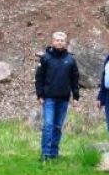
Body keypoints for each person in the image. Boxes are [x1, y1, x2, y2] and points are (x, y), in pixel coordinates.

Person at [34, 31, 80, 161]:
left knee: (58, 127)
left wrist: (76, 96)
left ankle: (54, 153)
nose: (59, 42)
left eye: (62, 40)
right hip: (49, 98)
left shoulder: (70, 60)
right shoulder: (46, 58)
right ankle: (45, 154)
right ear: (53, 42)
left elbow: (75, 79)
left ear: (65, 43)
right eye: (57, 40)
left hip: (64, 99)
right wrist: (39, 94)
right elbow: (39, 77)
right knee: (48, 125)